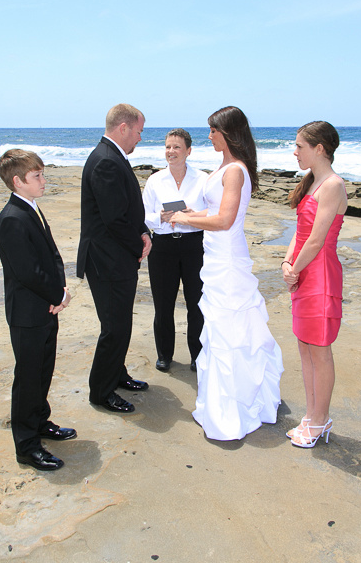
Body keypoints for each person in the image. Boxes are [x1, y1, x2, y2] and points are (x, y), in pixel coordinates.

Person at [170, 106, 283, 441]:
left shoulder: (235, 170)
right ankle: (222, 401)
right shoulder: (224, 167)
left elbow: (225, 221)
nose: (209, 136)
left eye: (213, 130)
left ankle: (233, 407)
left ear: (228, 132)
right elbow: (215, 210)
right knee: (220, 329)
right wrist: (192, 211)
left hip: (229, 259)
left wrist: (185, 220)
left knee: (229, 329)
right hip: (215, 257)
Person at [0, 149, 75, 471]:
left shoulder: (31, 208)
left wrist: (61, 291)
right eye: (37, 176)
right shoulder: (12, 219)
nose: (43, 180)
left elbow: (51, 255)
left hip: (46, 307)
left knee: (43, 372)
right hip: (28, 313)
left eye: (42, 174)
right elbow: (27, 272)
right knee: (27, 378)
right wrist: (58, 294)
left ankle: (40, 422)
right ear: (18, 181)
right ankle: (26, 446)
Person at [77, 104, 153, 414]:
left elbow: (126, 210)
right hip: (107, 260)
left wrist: (143, 230)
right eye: (138, 132)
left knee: (121, 323)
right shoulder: (105, 161)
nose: (139, 138)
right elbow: (113, 219)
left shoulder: (112, 157)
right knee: (114, 327)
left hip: (116, 257)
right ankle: (101, 391)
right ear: (123, 128)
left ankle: (116, 374)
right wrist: (138, 246)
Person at [281, 121, 347, 448]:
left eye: (299, 146)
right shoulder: (312, 181)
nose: (295, 152)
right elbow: (300, 232)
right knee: (304, 346)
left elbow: (318, 238)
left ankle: (321, 420)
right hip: (304, 272)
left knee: (319, 350)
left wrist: (295, 268)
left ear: (319, 148)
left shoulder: (333, 185)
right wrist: (286, 263)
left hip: (319, 274)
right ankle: (310, 415)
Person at [142, 128, 208, 373]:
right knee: (163, 304)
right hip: (163, 247)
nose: (171, 151)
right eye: (168, 147)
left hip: (195, 247)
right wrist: (159, 216)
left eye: (177, 147)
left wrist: (193, 216)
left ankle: (197, 355)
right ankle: (164, 355)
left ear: (188, 151)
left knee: (197, 304)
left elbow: (214, 212)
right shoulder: (155, 180)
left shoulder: (203, 179)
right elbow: (143, 215)